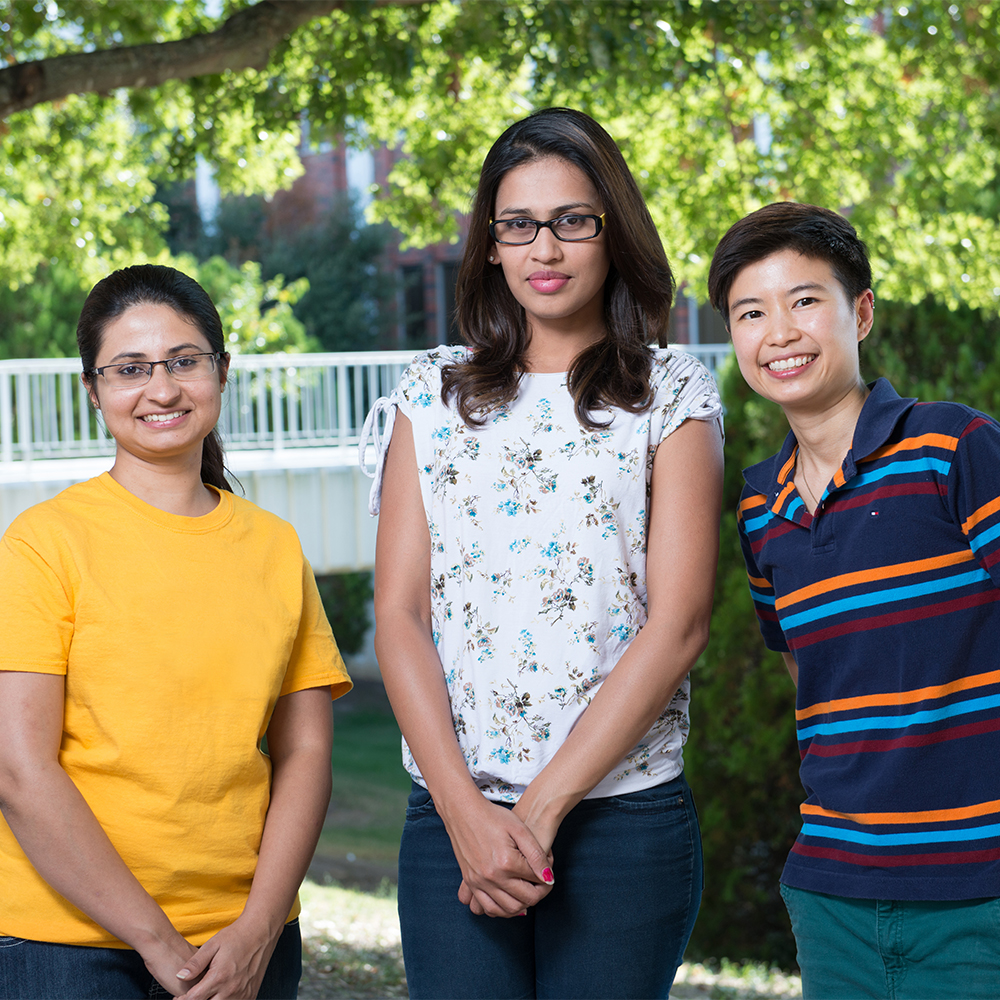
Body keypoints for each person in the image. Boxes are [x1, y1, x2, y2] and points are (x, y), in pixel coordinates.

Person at [361, 107, 724, 999]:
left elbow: (677, 625)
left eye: (573, 220)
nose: (545, 249)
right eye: (518, 225)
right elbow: (400, 615)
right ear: (490, 244)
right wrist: (467, 815)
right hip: (452, 816)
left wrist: (535, 813)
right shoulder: (430, 394)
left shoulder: (672, 389)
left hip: (623, 818)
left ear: (613, 231)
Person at [0, 264, 352, 1000]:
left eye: (183, 362)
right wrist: (158, 943)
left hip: (245, 942)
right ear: (92, 390)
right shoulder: (41, 544)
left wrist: (259, 929)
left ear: (222, 373)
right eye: (130, 369)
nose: (161, 390)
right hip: (68, 944)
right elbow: (20, 771)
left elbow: (307, 751)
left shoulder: (275, 547)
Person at [709, 202, 1000, 999]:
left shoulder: (955, 447)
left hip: (980, 887)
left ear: (860, 312)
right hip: (832, 890)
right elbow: (817, 680)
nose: (780, 332)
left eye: (806, 301)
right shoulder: (759, 508)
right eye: (751, 312)